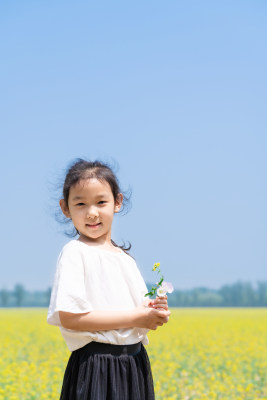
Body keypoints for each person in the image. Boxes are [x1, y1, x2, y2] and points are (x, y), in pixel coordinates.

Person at [47, 158, 171, 400]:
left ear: (118, 202)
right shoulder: (75, 253)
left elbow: (134, 317)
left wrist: (152, 313)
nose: (92, 213)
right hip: (96, 367)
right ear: (65, 208)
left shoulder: (125, 259)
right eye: (80, 203)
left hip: (134, 364)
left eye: (101, 202)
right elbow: (70, 317)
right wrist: (138, 316)